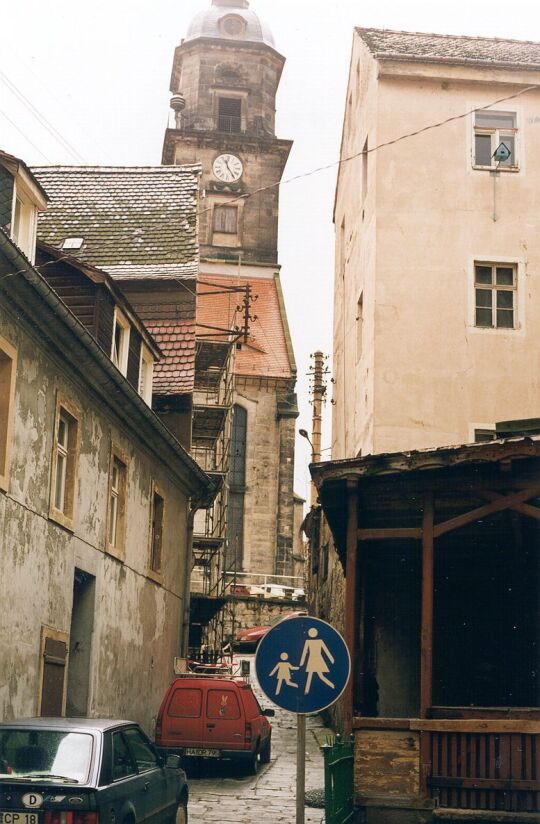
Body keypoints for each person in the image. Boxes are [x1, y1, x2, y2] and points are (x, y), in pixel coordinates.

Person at [299, 628, 335, 694]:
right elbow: (305, 652)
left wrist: (302, 662)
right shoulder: (313, 641)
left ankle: (331, 685)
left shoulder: (312, 641)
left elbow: (305, 652)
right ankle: (307, 690)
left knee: (314, 675)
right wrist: (331, 659)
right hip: (316, 659)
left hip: (315, 660)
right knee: (314, 675)